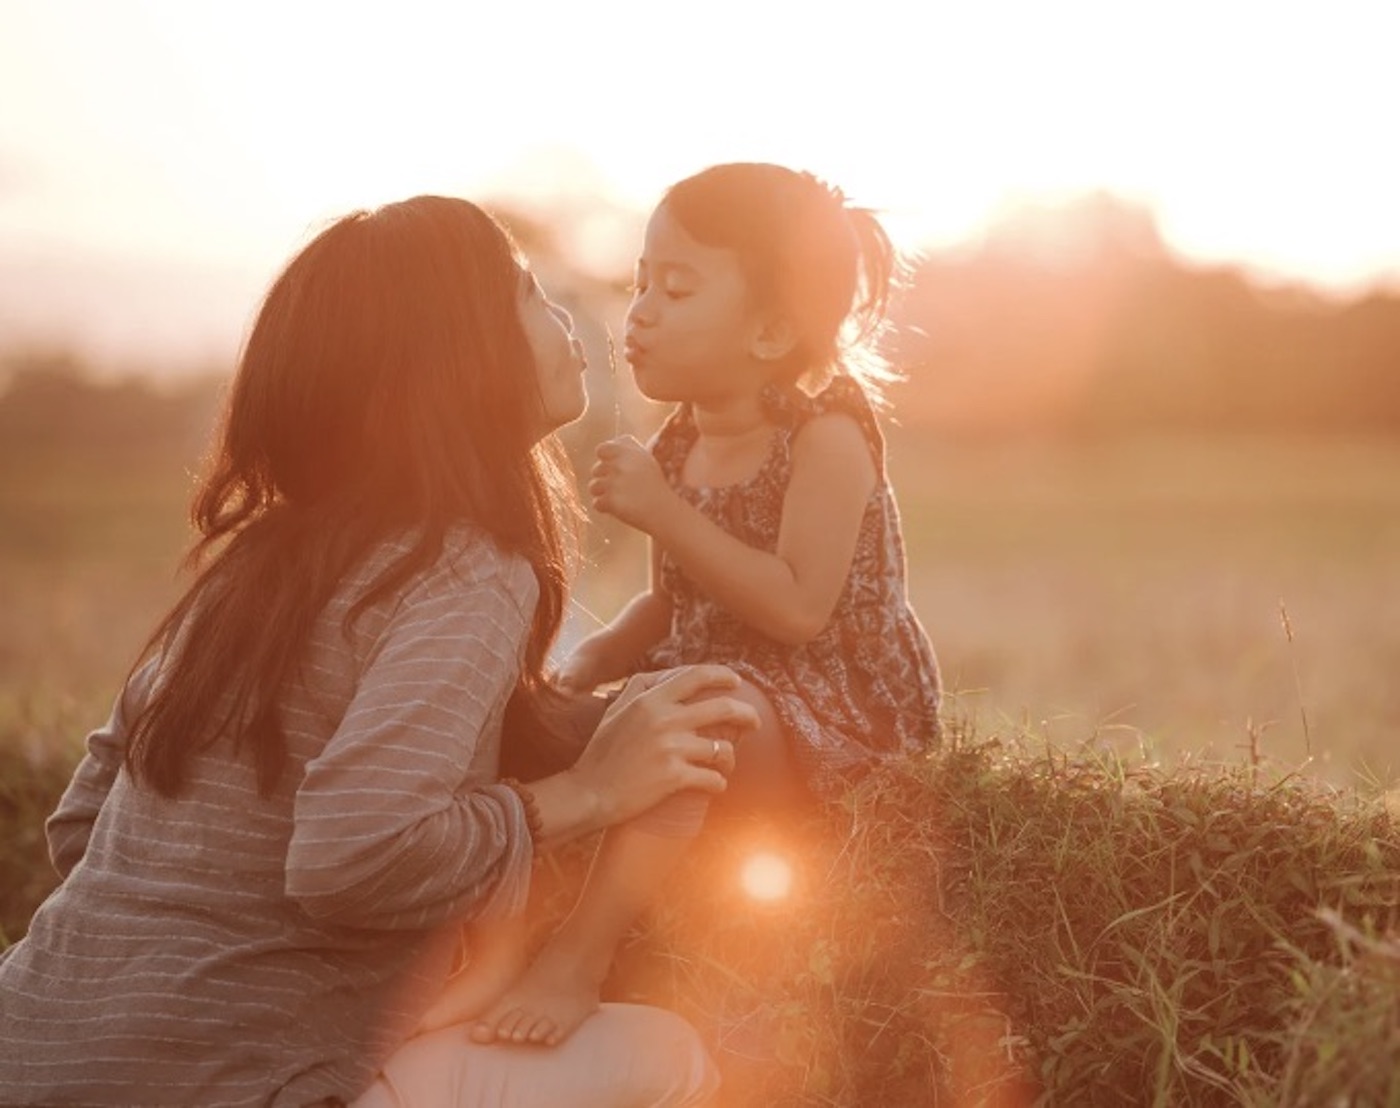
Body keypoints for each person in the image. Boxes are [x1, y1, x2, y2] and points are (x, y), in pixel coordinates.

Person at [0, 195, 759, 1108]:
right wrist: (591, 791)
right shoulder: (470, 566)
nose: (558, 312)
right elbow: (349, 855)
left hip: (28, 1046)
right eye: (522, 291)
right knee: (673, 1056)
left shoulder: (258, 564)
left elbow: (84, 829)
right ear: (455, 359)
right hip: (236, 1087)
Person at [461, 162, 942, 1051]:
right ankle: (484, 938)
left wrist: (663, 511)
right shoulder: (678, 438)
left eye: (676, 289)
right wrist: (590, 663)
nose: (639, 310)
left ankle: (580, 957)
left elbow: (799, 610)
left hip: (834, 709)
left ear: (767, 332)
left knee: (697, 710)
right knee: (566, 716)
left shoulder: (826, 436)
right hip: (717, 678)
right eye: (642, 281)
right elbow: (665, 602)